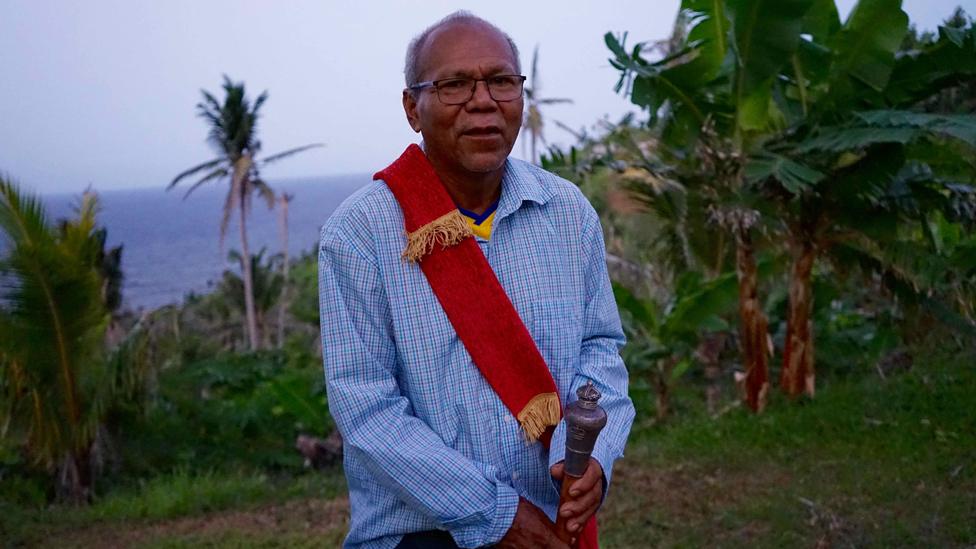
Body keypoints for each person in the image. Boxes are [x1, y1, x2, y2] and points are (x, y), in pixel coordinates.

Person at [318, 11, 634, 549]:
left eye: (502, 81)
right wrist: (493, 512)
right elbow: (368, 410)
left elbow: (599, 348)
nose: (483, 100)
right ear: (411, 109)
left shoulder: (566, 212)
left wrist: (591, 456)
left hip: (554, 520)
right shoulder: (358, 235)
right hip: (420, 534)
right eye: (455, 84)